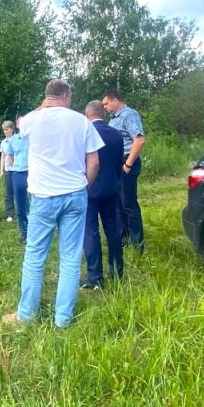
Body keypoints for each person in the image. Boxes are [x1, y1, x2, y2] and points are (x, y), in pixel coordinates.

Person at [3, 80, 103, 329]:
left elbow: (26, 122)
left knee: (35, 255)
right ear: (67, 96)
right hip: (75, 194)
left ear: (46, 97)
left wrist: (43, 104)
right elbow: (94, 163)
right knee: (70, 258)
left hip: (43, 197)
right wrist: (84, 186)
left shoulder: (30, 121)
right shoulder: (82, 121)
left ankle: (25, 315)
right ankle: (62, 319)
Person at [82, 100, 124, 290]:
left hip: (90, 189)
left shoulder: (85, 132)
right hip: (111, 188)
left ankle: (96, 278)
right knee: (113, 231)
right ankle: (117, 273)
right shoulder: (116, 134)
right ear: (102, 113)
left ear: (87, 114)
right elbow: (118, 163)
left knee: (90, 232)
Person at [103, 89, 146, 253]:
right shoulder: (113, 119)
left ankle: (138, 244)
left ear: (115, 100)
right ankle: (122, 239)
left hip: (127, 163)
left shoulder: (129, 115)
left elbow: (139, 140)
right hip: (116, 165)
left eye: (106, 103)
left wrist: (127, 165)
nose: (105, 107)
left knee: (129, 204)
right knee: (118, 205)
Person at [5, 113, 30, 243]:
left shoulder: (34, 138)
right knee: (20, 202)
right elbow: (10, 157)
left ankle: (36, 229)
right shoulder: (12, 140)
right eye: (21, 123)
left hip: (33, 173)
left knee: (34, 202)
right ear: (18, 125)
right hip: (18, 174)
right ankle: (24, 231)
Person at [0, 120, 16, 222]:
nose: (6, 132)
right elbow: (3, 157)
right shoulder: (3, 142)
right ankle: (10, 213)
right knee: (9, 192)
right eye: (4, 130)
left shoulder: (18, 139)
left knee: (21, 191)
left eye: (7, 129)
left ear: (12, 129)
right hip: (8, 170)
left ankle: (25, 211)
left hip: (18, 169)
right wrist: (1, 170)